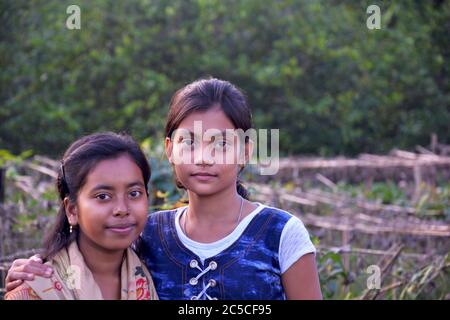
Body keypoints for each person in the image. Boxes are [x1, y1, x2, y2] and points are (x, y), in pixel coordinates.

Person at [5, 78, 321, 300]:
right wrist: (34, 271)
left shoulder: (281, 233)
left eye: (222, 143)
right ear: (169, 149)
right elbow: (87, 266)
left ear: (246, 151)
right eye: (189, 141)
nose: (203, 157)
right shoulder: (148, 234)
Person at [4, 132, 157, 300]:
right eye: (103, 196)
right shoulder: (34, 291)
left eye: (134, 193)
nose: (122, 209)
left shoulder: (157, 270)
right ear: (72, 210)